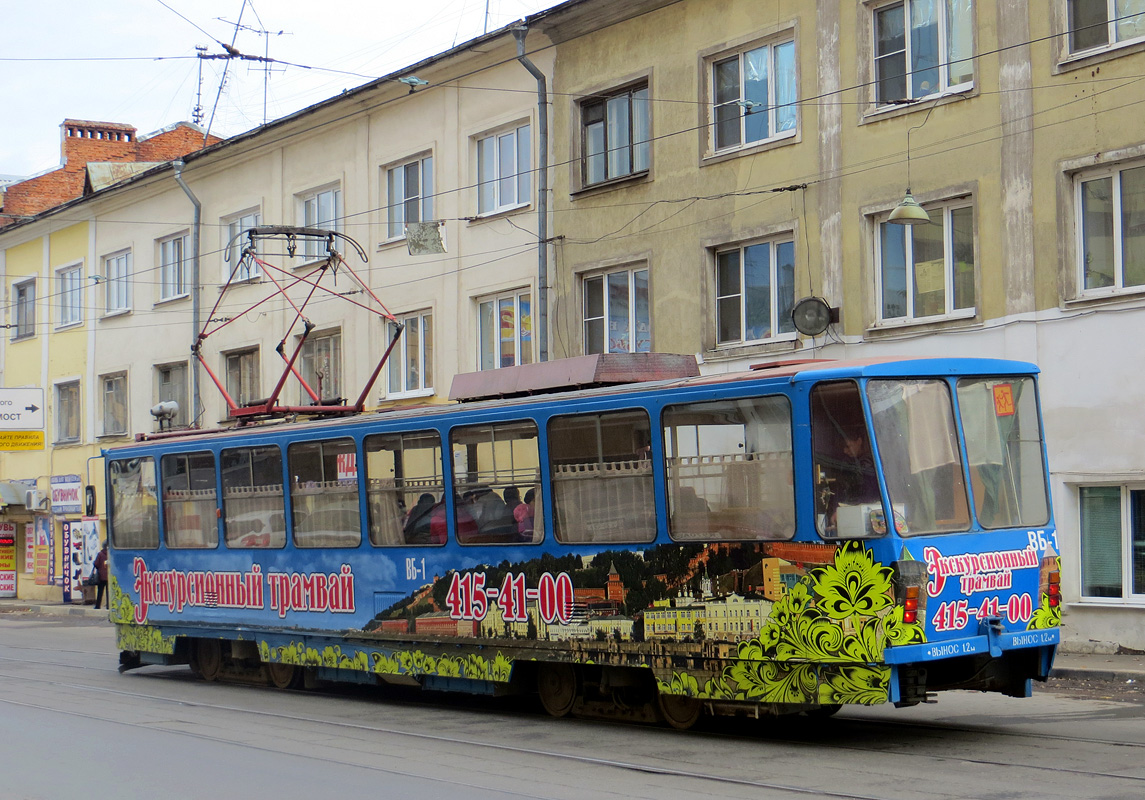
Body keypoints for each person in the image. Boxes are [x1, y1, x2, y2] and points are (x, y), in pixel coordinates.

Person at [92, 542, 109, 610]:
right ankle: (109, 605)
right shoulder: (110, 554)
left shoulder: (100, 554)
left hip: (101, 577)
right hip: (109, 576)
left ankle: (98, 605)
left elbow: (96, 564)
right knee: (108, 591)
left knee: (100, 591)